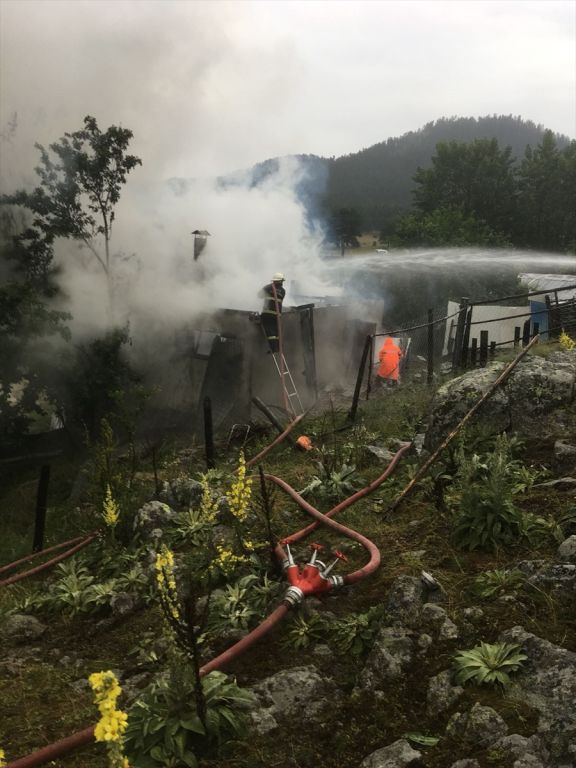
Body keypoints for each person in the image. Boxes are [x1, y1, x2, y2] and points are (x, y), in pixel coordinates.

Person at [259, 272, 286, 353]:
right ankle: (278, 348)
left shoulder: (268, 287)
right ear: (280, 281)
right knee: (276, 331)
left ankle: (273, 348)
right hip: (277, 315)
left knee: (269, 330)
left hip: (267, 314)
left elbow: (259, 295)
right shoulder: (283, 291)